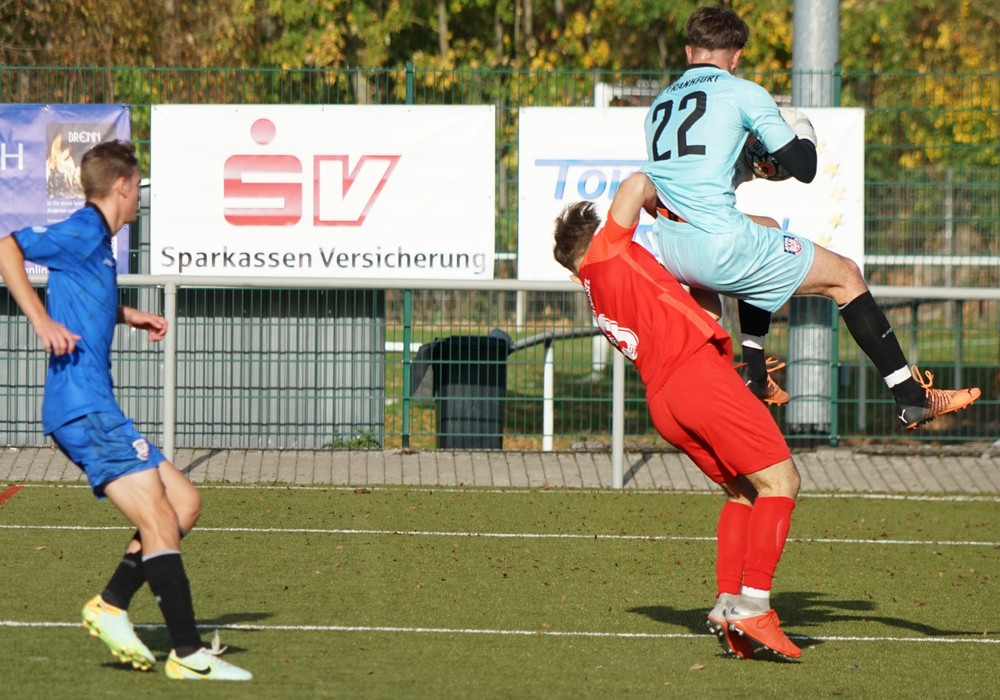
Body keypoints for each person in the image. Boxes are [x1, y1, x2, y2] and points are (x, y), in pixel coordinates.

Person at [641, 5, 980, 429]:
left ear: (689, 52)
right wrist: (801, 132)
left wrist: (746, 163)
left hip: (673, 248)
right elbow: (804, 168)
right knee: (845, 276)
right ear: (737, 56)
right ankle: (911, 398)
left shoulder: (659, 104)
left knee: (764, 228)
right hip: (720, 248)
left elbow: (691, 176)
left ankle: (755, 374)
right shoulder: (744, 92)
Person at [0, 141, 252, 681]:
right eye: (138, 187)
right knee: (158, 517)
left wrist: (128, 314)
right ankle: (187, 655)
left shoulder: (97, 244)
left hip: (96, 405)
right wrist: (40, 322)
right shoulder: (83, 230)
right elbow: (6, 248)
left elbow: (86, 295)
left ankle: (112, 603)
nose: (140, 197)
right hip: (83, 407)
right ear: (121, 186)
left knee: (183, 504)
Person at [553, 171, 803, 659]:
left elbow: (705, 315)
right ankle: (755, 606)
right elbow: (637, 183)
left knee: (743, 493)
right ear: (596, 237)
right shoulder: (608, 251)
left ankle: (729, 603)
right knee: (781, 482)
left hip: (667, 397)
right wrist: (682, 210)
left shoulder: (596, 289)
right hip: (694, 378)